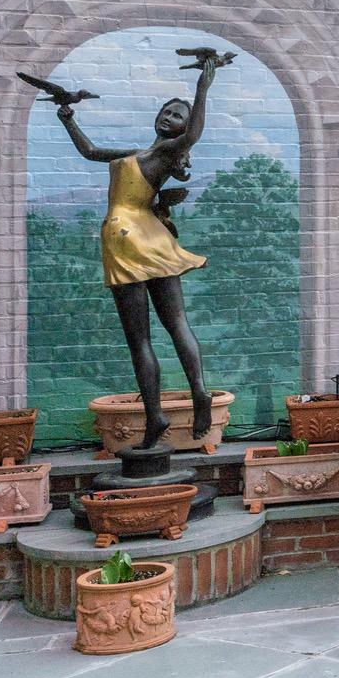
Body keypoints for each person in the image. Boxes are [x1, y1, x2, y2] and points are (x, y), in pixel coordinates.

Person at [53, 48, 233, 449]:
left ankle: (160, 413)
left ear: (181, 128)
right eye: (166, 111)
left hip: (126, 237)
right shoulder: (138, 154)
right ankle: (189, 397)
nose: (169, 117)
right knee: (174, 323)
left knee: (146, 337)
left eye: (177, 115)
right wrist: (68, 119)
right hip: (150, 235)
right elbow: (91, 152)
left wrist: (203, 87)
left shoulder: (166, 152)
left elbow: (194, 135)